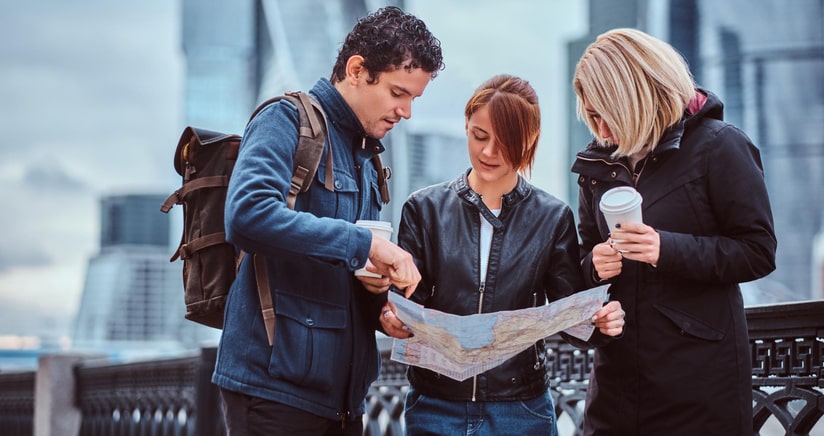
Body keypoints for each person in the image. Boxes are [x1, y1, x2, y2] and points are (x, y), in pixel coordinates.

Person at [211, 6, 444, 435]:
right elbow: (247, 215)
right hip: (273, 394)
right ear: (357, 70)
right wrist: (366, 245)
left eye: (414, 98)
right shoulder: (284, 120)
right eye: (398, 93)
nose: (406, 111)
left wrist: (380, 309)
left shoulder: (368, 158)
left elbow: (338, 267)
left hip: (341, 405)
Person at [378, 74, 626, 435]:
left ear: (530, 141)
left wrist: (601, 323)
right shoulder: (424, 208)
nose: (489, 152)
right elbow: (405, 298)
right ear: (466, 125)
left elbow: (570, 319)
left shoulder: (552, 216)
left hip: (522, 409)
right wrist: (390, 315)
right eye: (479, 136)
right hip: (436, 406)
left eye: (505, 142)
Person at [570, 28, 777, 435]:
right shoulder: (596, 169)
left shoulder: (720, 146)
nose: (602, 131)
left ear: (635, 97)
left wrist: (665, 248)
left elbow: (758, 250)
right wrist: (595, 265)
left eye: (605, 113)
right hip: (614, 388)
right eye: (591, 117)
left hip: (698, 387)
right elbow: (581, 260)